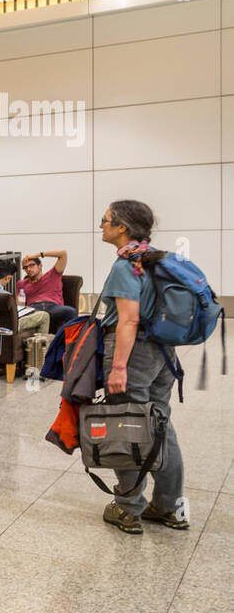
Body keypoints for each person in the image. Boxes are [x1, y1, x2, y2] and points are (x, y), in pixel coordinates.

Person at [96, 200, 188, 534]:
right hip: (164, 354)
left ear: (122, 227)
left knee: (126, 426)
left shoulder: (127, 266)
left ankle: (128, 508)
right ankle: (168, 506)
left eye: (105, 220)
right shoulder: (155, 260)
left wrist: (118, 367)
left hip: (132, 354)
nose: (100, 225)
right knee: (159, 424)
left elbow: (128, 320)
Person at [0, 259, 49, 334]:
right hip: (3, 328)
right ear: (8, 278)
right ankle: (40, 344)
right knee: (44, 316)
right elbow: (13, 316)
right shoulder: (6, 296)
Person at [17, 249, 77, 333]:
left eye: (31, 265)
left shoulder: (53, 274)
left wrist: (36, 255)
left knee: (71, 312)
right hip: (34, 308)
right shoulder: (21, 283)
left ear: (40, 266)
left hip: (53, 307)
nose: (29, 269)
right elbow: (19, 304)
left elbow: (63, 254)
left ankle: (67, 343)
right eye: (25, 267)